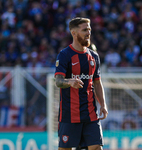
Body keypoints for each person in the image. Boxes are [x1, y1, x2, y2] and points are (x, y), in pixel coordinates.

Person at [54, 17, 108, 150]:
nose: (88, 33)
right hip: (69, 115)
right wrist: (69, 82)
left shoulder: (94, 56)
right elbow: (58, 81)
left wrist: (103, 104)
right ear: (74, 33)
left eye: (89, 29)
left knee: (96, 147)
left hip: (90, 114)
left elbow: (97, 83)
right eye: (84, 30)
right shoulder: (64, 55)